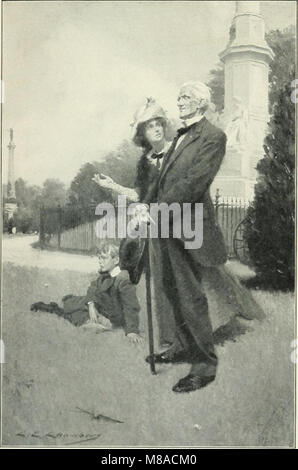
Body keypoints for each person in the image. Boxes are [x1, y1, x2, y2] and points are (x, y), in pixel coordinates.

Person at [146, 81, 264, 393]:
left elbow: (194, 182)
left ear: (200, 103)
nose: (179, 101)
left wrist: (157, 209)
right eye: (179, 96)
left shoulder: (214, 136)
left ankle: (204, 365)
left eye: (185, 97)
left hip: (191, 226)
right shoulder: (179, 138)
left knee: (191, 295)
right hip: (168, 224)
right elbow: (166, 181)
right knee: (171, 290)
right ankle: (182, 347)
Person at [93, 97, 176, 347]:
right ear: (142, 133)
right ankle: (163, 335)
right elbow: (140, 194)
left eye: (158, 123)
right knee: (141, 268)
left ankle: (181, 336)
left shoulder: (177, 150)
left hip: (178, 218)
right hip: (152, 223)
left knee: (177, 280)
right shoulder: (145, 161)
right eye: (149, 126)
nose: (156, 129)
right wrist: (113, 186)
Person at [30, 243, 143, 344]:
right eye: (99, 258)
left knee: (78, 318)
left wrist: (132, 331)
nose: (100, 261)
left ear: (116, 260)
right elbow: (93, 287)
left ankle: (53, 309)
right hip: (97, 307)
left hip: (109, 317)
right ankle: (53, 308)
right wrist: (91, 305)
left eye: (104, 258)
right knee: (73, 306)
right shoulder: (104, 276)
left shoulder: (123, 280)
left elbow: (131, 307)